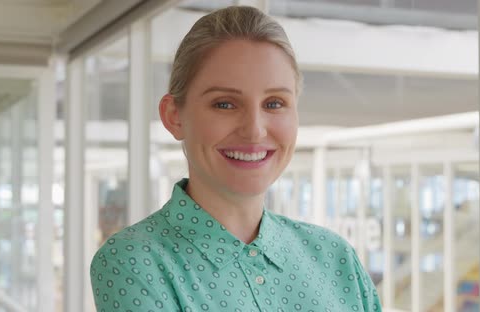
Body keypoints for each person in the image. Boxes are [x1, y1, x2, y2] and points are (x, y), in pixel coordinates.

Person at [90, 5, 382, 312]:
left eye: (274, 103)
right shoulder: (135, 262)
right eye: (225, 104)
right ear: (174, 116)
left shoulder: (334, 258)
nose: (255, 131)